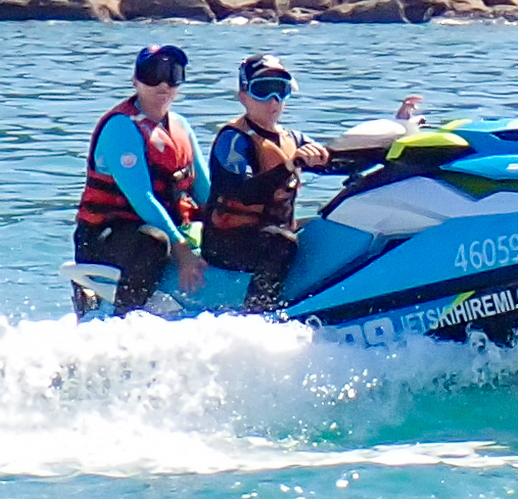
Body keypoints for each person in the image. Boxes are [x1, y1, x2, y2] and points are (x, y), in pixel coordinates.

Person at [202, 53, 343, 312]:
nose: (273, 101)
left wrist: (395, 134)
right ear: (243, 96)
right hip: (227, 242)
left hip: (272, 231)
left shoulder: (293, 138)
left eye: (280, 90)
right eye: (263, 90)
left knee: (332, 225)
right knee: (282, 241)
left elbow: (337, 161)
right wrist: (290, 165)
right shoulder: (233, 140)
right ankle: (257, 312)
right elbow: (242, 192)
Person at [74, 42, 204, 315]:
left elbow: (205, 191)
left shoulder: (181, 127)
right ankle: (125, 319)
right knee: (154, 241)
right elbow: (142, 197)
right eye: (152, 73)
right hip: (104, 237)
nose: (163, 84)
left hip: (166, 228)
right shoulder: (121, 127)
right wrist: (181, 250)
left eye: (173, 74)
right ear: (135, 81)